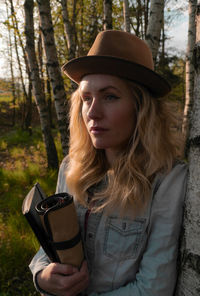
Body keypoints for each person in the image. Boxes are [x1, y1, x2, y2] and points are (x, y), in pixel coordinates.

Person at [29, 30, 188, 296]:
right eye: (87, 98)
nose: (92, 113)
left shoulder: (167, 180)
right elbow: (51, 246)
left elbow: (154, 288)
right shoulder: (71, 168)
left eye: (110, 96)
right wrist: (42, 276)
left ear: (141, 108)